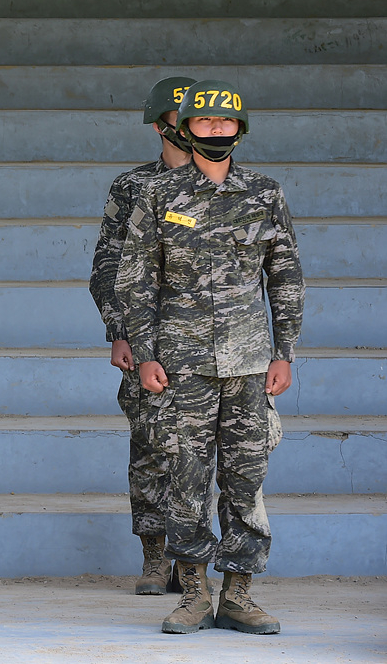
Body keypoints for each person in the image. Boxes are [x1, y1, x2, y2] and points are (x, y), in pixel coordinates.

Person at [116, 80, 303, 635]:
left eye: (226, 124)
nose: (216, 131)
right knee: (186, 478)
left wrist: (285, 350)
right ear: (185, 130)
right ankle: (194, 594)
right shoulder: (158, 196)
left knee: (246, 478)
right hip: (181, 365)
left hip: (249, 364)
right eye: (205, 123)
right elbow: (136, 282)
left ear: (239, 129)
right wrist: (146, 353)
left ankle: (239, 595)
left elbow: (285, 277)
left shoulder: (265, 194)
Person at [88, 77, 194, 595]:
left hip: (210, 342)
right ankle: (155, 557)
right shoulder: (133, 187)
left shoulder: (229, 186)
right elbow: (106, 266)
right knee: (151, 447)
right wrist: (120, 330)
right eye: (182, 117)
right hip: (147, 341)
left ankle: (190, 561)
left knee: (202, 455)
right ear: (161, 125)